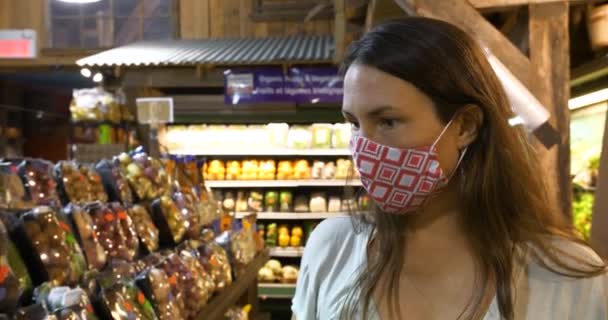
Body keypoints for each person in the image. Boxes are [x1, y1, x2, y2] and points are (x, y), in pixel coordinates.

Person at [291, 17, 608, 320]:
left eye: (387, 121)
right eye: (354, 124)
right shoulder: (331, 249)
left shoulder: (569, 279)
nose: (363, 146)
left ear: (465, 126)